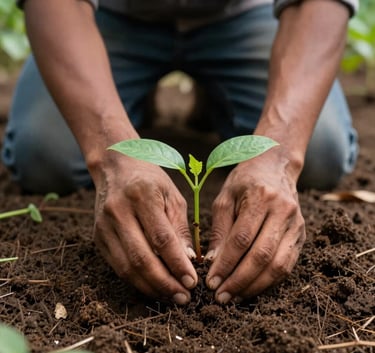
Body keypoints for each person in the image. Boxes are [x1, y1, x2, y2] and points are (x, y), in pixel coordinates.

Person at [2, 0, 358, 305]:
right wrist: (111, 152)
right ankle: (131, 102)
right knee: (44, 154)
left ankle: (215, 97)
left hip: (247, 13)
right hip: (109, 16)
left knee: (320, 152)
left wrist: (280, 155)